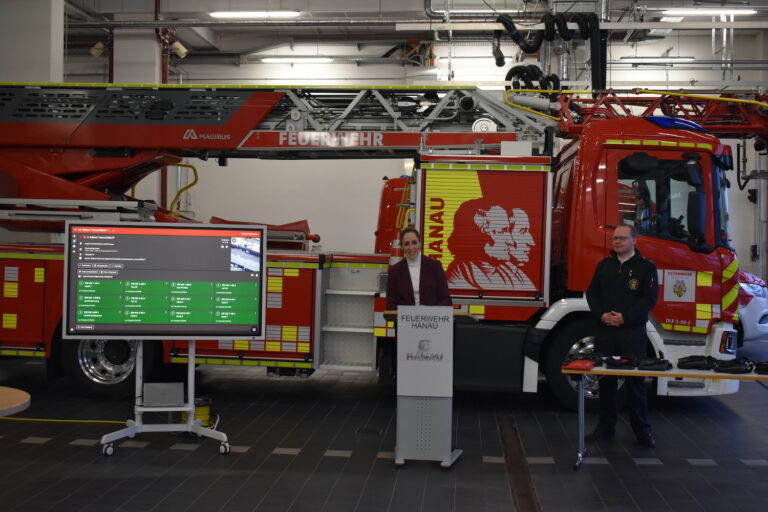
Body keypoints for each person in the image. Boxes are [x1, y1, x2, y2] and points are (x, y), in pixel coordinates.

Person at [585, 224, 659, 448]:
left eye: (622, 238)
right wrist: (601, 316)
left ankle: (642, 431)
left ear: (634, 241)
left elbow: (649, 298)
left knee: (635, 383)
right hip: (605, 331)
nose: (616, 242)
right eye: (614, 238)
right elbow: (592, 293)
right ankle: (605, 428)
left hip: (631, 332)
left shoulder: (646, 268)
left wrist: (624, 318)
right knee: (606, 382)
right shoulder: (604, 266)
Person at [446, 199, 535, 290]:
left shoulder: (507, 269)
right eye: (502, 231)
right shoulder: (458, 279)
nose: (510, 241)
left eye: (508, 230)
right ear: (479, 237)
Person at [386, 227, 452, 310]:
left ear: (420, 243)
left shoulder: (435, 266)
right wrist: (410, 313)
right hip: (405, 321)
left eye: (414, 242)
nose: (411, 247)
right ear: (401, 247)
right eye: (406, 244)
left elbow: (446, 300)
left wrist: (429, 311)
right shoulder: (395, 271)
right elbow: (391, 305)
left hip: (431, 321)